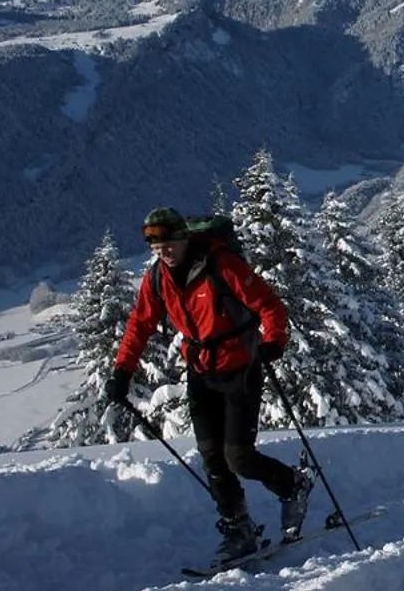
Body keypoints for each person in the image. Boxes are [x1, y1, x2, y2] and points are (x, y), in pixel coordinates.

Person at [107, 207, 308, 565]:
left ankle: (292, 484)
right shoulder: (157, 280)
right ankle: (238, 529)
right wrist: (122, 372)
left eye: (168, 243)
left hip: (241, 367)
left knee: (239, 457)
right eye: (156, 246)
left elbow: (269, 305)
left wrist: (273, 341)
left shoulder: (221, 264)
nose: (163, 251)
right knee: (211, 455)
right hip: (200, 369)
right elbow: (139, 324)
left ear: (184, 238)